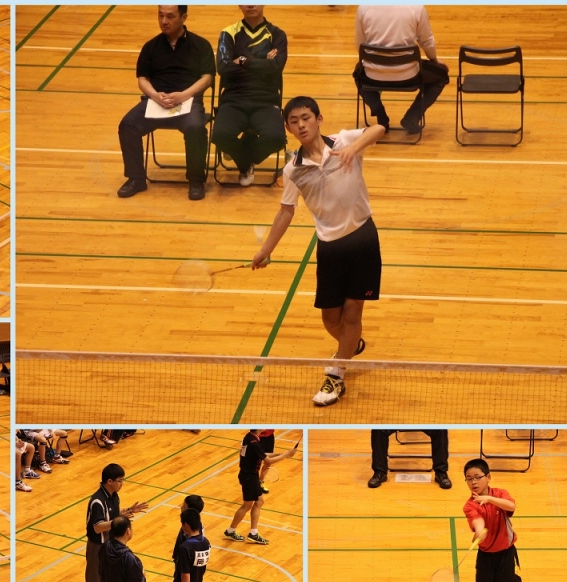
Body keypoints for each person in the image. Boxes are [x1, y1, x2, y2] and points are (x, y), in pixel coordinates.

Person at [251, 96, 385, 406]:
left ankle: (337, 374)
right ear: (288, 129)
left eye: (306, 118)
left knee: (353, 311)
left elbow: (378, 128)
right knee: (330, 319)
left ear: (318, 119)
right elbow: (285, 211)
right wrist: (265, 249)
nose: (301, 125)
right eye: (294, 121)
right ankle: (350, 346)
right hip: (330, 248)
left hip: (362, 238)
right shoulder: (292, 170)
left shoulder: (343, 141)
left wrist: (354, 147)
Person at [117, 5, 215, 201]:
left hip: (188, 102)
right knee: (128, 125)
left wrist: (184, 95)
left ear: (183, 17)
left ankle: (196, 180)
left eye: (170, 16)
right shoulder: (150, 47)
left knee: (196, 128)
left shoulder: (200, 45)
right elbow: (142, 79)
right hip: (156, 101)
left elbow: (207, 78)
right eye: (160, 16)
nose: (164, 21)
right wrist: (155, 95)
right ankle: (136, 178)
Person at [211, 5, 288, 185]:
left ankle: (243, 157)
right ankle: (247, 161)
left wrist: (243, 61)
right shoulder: (228, 33)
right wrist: (263, 64)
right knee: (220, 135)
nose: (251, 4)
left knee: (277, 139)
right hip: (233, 99)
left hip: (266, 100)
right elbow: (223, 68)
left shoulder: (277, 35)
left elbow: (276, 67)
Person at [354, 5, 449, 134]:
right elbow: (427, 41)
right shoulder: (416, 8)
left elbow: (360, 44)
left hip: (373, 75)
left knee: (358, 74)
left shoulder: (363, 8)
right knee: (441, 75)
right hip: (409, 76)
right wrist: (434, 59)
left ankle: (381, 116)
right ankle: (412, 117)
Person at [80, 463, 150, 582]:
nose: (122, 484)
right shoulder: (97, 501)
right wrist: (117, 522)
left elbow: (112, 515)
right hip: (97, 546)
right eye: (119, 480)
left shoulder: (114, 496)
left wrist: (128, 511)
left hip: (109, 545)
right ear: (109, 481)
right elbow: (97, 527)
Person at [463, 458, 522, 582]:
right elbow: (477, 521)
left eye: (477, 477)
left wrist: (489, 499)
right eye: (469, 479)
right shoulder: (469, 505)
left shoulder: (500, 494)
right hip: (486, 555)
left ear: (488, 477)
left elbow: (511, 506)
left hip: (505, 554)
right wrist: (479, 530)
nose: (473, 482)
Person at [224, 429, 297, 544]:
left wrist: (283, 453)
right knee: (247, 505)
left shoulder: (249, 437)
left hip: (249, 475)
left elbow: (262, 454)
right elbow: (268, 460)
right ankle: (232, 531)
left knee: (259, 502)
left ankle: (251, 532)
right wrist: (286, 455)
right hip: (249, 477)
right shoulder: (254, 443)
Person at [368, 429, 451, 489]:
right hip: (397, 418)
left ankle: (441, 473)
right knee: (378, 429)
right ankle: (380, 472)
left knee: (440, 429)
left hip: (421, 418)